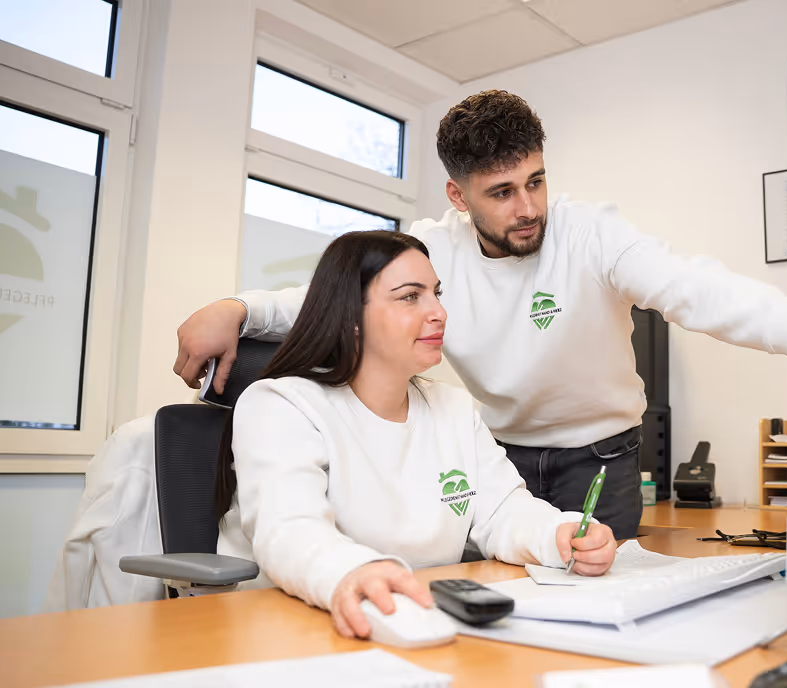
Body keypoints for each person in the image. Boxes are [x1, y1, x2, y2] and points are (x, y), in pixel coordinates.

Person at [176, 90, 787, 540]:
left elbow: (697, 289)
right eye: (502, 192)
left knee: (599, 591)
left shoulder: (592, 234)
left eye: (536, 181)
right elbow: (330, 299)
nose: (528, 208)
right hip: (498, 457)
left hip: (600, 458)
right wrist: (237, 308)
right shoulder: (433, 249)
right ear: (458, 196)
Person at [215, 230, 616, 639]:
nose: (439, 312)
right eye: (410, 297)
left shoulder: (453, 407)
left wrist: (560, 535)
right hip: (294, 625)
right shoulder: (282, 405)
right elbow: (289, 530)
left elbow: (502, 511)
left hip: (418, 615)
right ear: (350, 317)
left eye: (436, 294)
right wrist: (353, 572)